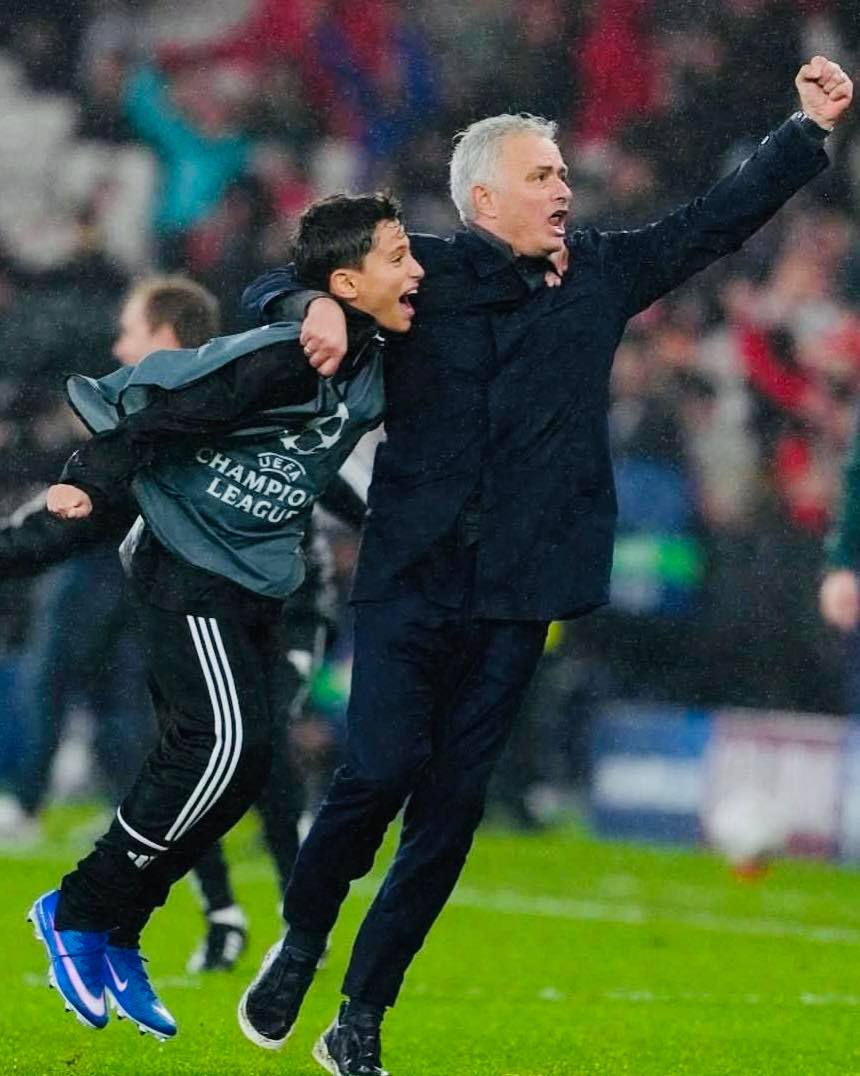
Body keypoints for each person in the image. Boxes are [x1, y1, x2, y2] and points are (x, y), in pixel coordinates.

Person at [237, 57, 853, 1076]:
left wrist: (803, 131)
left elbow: (712, 224)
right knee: (376, 773)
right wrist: (308, 308)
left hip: (522, 589)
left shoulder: (600, 273)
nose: (563, 187)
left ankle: (360, 1014)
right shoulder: (420, 274)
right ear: (483, 198)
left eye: (562, 171)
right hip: (412, 571)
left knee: (449, 813)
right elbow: (280, 278)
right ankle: (301, 941)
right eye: (541, 174)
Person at [26, 192, 423, 1042]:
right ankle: (77, 909)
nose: (417, 269)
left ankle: (119, 926)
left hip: (253, 576)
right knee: (229, 744)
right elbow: (173, 408)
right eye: (399, 257)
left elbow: (330, 466)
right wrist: (87, 478)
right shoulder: (284, 358)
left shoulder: (372, 360)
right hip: (187, 559)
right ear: (347, 283)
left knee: (239, 766)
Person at [0, 274, 364, 974]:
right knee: (205, 756)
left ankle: (295, 923)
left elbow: (324, 475)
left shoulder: (244, 392)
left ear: (165, 339)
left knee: (254, 756)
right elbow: (59, 528)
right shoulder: (156, 431)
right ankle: (216, 914)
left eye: (130, 333)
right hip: (202, 610)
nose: (119, 348)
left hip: (282, 611)